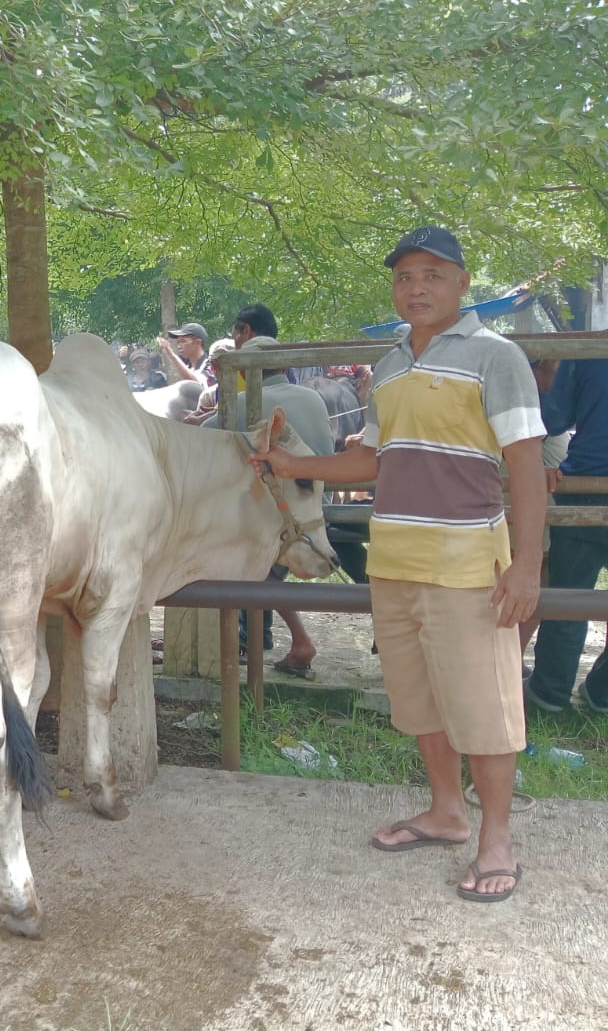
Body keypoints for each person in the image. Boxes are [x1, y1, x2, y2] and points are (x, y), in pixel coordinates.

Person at [254, 226, 545, 903]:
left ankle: (495, 838)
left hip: (469, 559)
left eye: (432, 275)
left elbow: (526, 463)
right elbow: (372, 462)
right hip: (394, 558)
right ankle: (447, 812)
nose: (416, 287)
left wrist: (527, 566)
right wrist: (294, 465)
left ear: (463, 283)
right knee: (418, 702)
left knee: (484, 708)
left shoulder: (496, 357)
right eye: (405, 277)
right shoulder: (388, 364)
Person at [207, 334, 333, 676]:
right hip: (326, 502)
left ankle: (290, 640)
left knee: (252, 560)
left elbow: (203, 437)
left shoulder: (245, 402)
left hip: (288, 513)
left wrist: (193, 421)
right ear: (284, 365)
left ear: (246, 373)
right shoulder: (314, 397)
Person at [524, 355, 608, 713]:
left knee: (568, 599)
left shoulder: (586, 350)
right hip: (586, 482)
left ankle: (549, 695)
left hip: (588, 485)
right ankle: (603, 694)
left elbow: (553, 420)